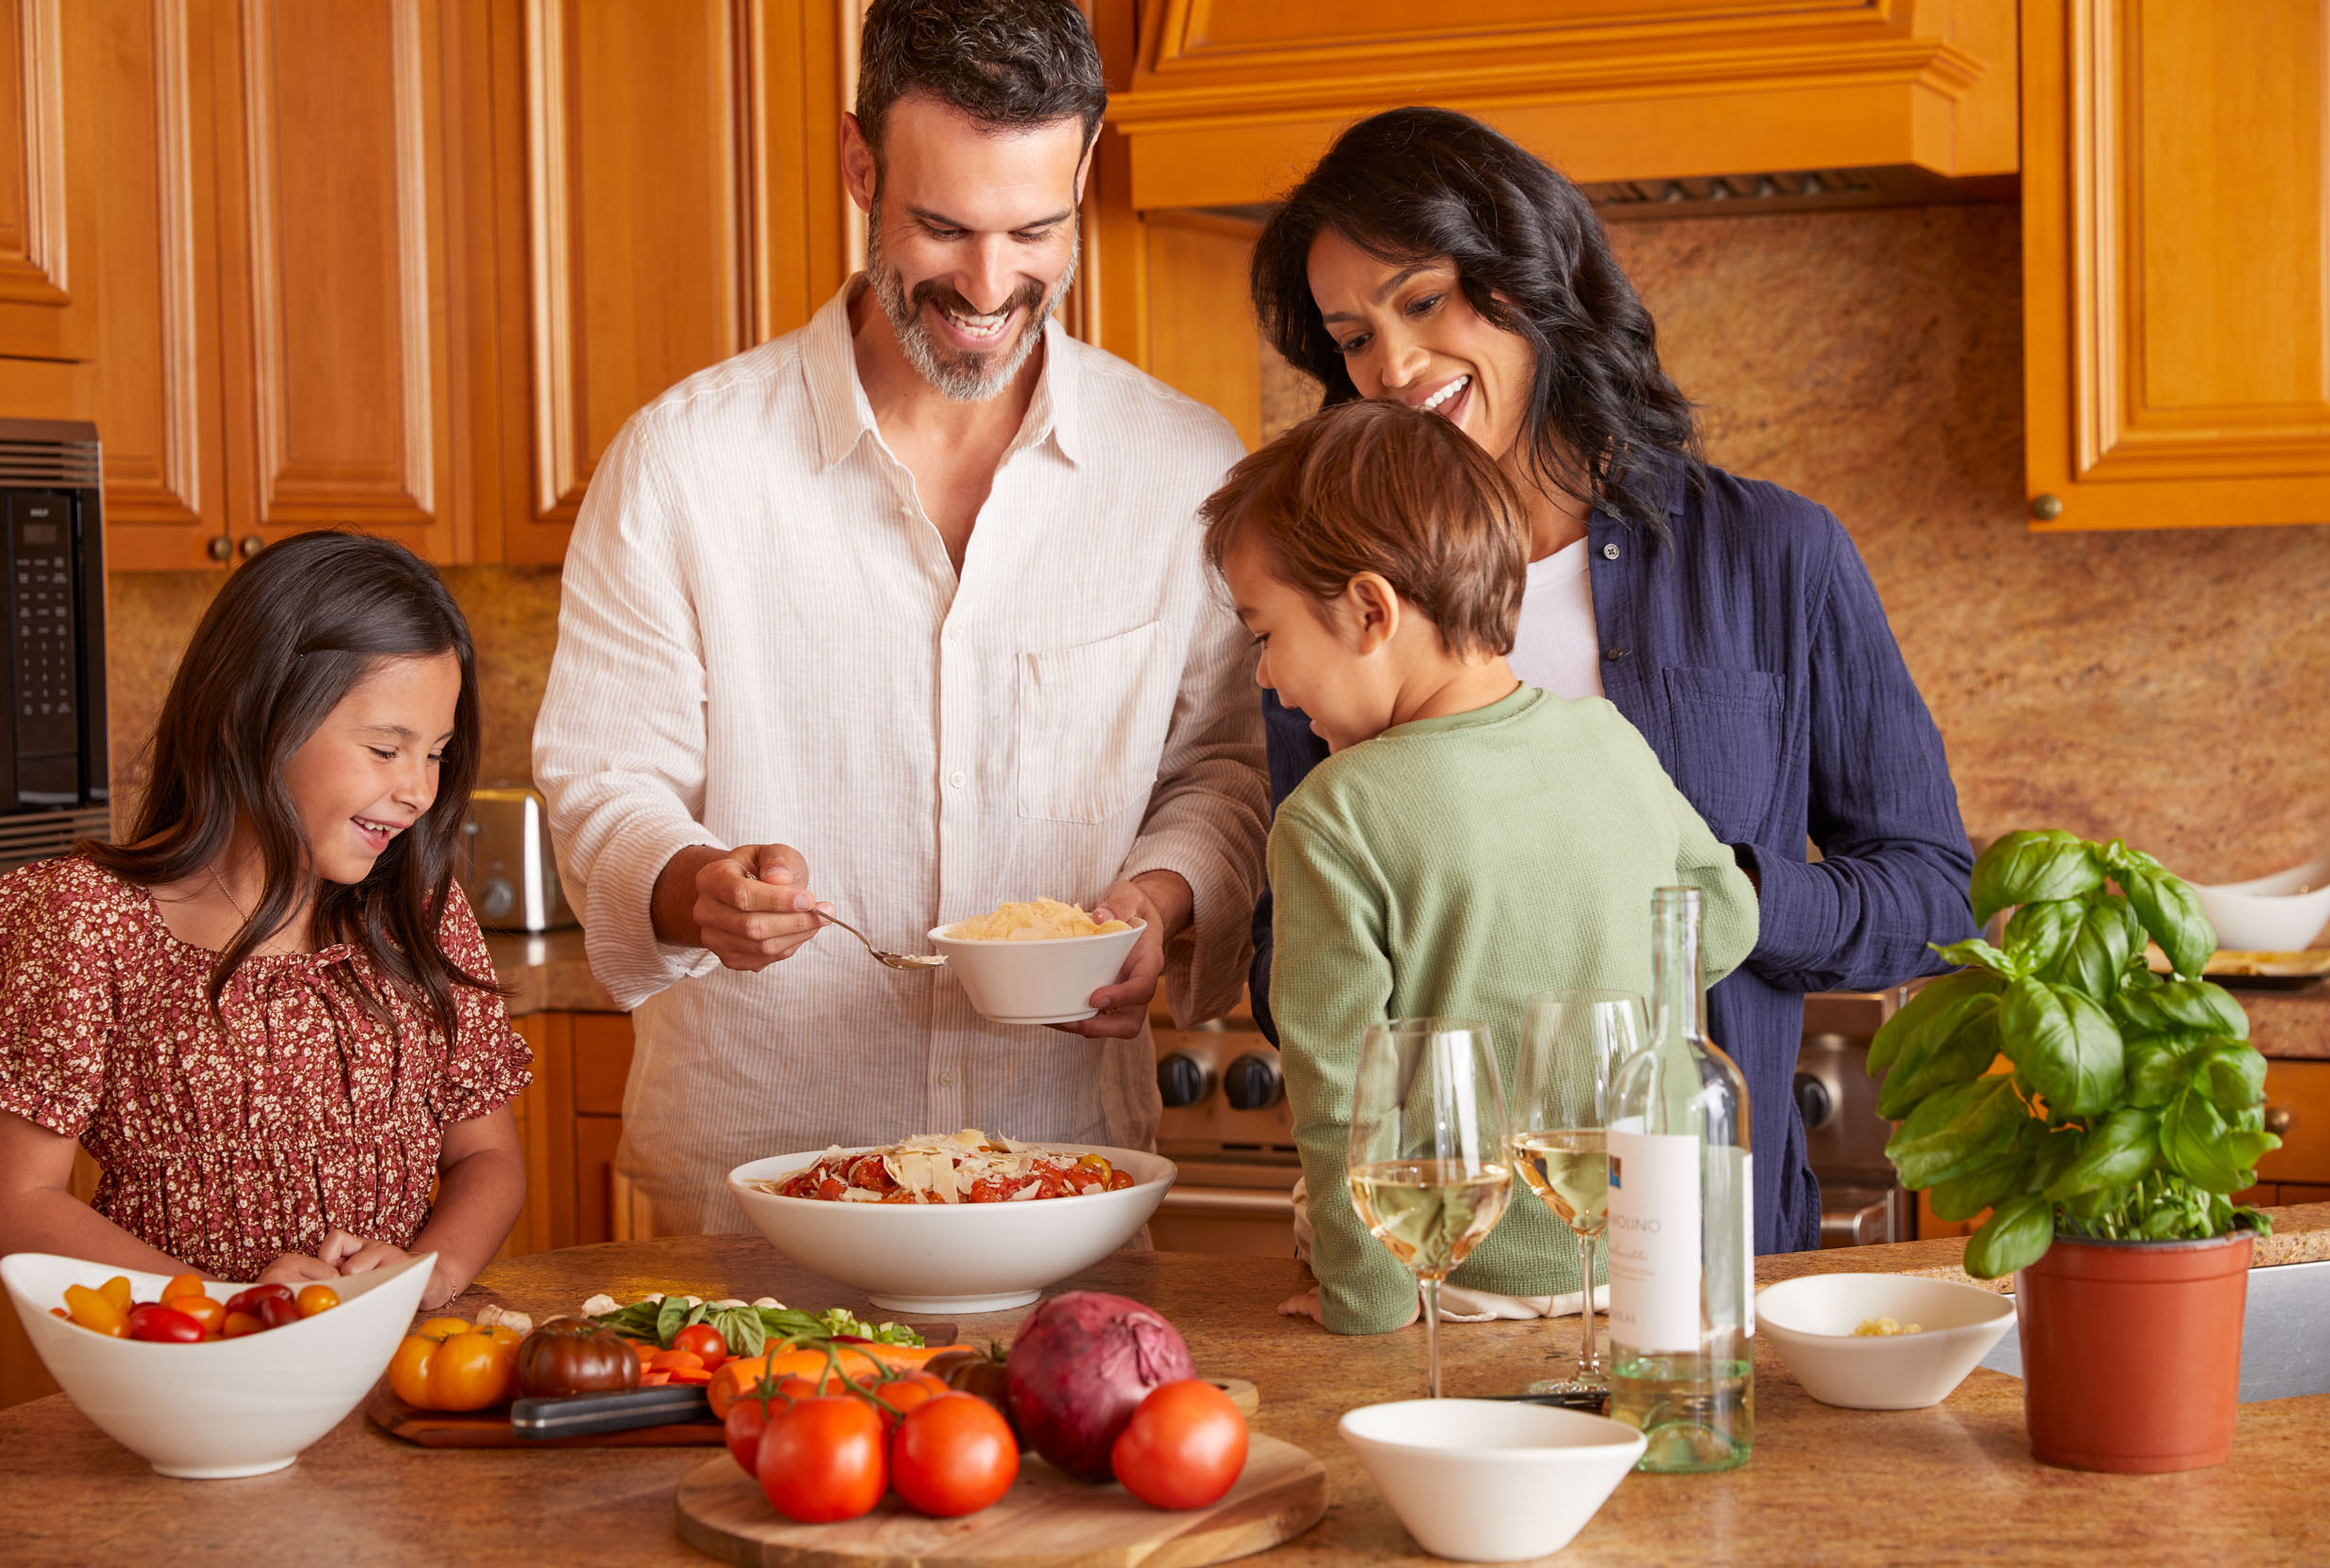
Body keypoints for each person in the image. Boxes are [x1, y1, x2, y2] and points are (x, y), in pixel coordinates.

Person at [531, 0, 1265, 1233]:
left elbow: (1224, 770)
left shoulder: (1181, 467)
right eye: (943, 227)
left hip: (1060, 1178)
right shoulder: (685, 463)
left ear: (1085, 172)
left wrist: (1158, 897)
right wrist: (694, 884)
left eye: (1034, 230)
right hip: (756, 1193)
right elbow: (606, 783)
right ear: (860, 164)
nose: (988, 285)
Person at [1245, 106, 1977, 1257]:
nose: (1391, 367)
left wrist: (1711, 899)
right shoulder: (1341, 598)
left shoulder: (1774, 553)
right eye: (1351, 337)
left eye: (1422, 300)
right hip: (1448, 1262)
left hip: (1718, 1255)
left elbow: (1932, 900)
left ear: (1531, 279)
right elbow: (1282, 954)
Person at [1207, 398, 1757, 1333]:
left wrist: (1365, 1305)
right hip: (1631, 1262)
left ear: (1371, 610)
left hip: (1446, 1283)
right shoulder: (1608, 738)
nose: (1263, 674)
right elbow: (1728, 918)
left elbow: (1340, 1097)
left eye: (1263, 634)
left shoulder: (1331, 816)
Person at [0, 532, 530, 1307]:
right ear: (247, 720)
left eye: (436, 752)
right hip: (182, 1359)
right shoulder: (87, 919)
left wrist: (425, 1272)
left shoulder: (416, 910)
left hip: (393, 1349)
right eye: (385, 748)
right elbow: (16, 1198)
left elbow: (487, 1158)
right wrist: (230, 1301)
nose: (418, 789)